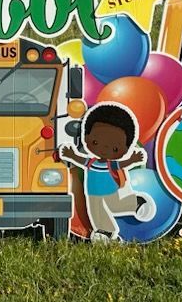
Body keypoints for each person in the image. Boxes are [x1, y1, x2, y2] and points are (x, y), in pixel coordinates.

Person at [62, 102, 155, 242]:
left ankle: (136, 203)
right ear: (86, 137)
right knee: (97, 213)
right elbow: (81, 161)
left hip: (110, 192)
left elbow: (122, 164)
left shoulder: (111, 163)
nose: (104, 149)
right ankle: (105, 231)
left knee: (115, 206)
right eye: (96, 142)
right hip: (92, 193)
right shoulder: (91, 161)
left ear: (126, 148)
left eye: (115, 148)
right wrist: (72, 155)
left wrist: (133, 159)